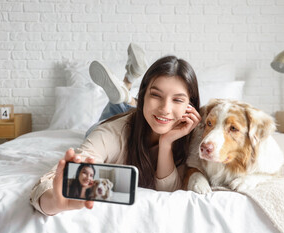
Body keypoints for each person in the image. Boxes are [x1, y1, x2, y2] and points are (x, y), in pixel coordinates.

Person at [29, 45, 201, 216]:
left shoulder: (195, 137)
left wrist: (166, 144)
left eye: (178, 100)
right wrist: (55, 202)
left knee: (121, 106)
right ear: (143, 95)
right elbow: (50, 181)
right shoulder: (110, 133)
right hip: (108, 125)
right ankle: (126, 92)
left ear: (190, 106)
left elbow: (169, 190)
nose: (165, 108)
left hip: (141, 116)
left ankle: (127, 86)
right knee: (112, 117)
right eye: (155, 95)